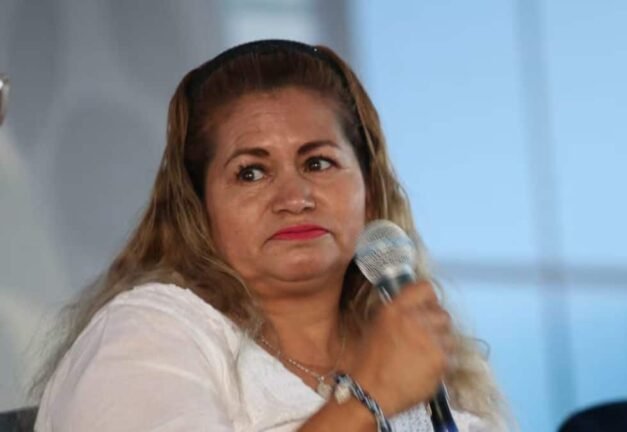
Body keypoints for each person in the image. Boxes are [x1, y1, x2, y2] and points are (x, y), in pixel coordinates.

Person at [32, 40, 506, 431]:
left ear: (370, 192)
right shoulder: (147, 334)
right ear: (198, 208)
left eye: (318, 163)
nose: (294, 197)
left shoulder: (424, 370)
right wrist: (369, 397)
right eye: (251, 173)